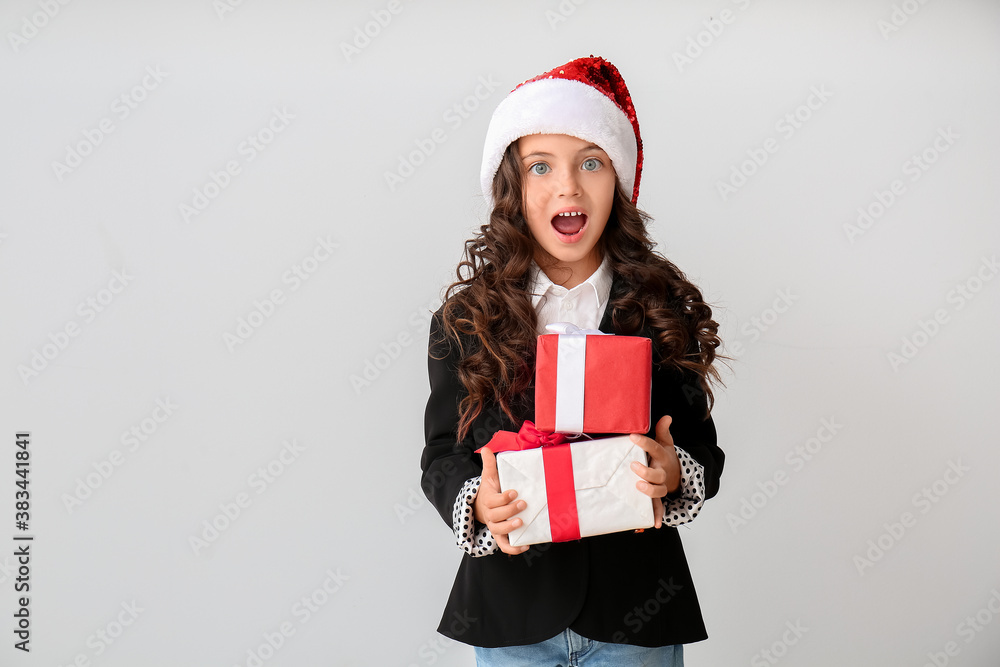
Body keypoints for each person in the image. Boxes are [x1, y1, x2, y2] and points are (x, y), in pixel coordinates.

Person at [420, 55, 725, 666]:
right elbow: (441, 456)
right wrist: (477, 500)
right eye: (541, 167)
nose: (568, 186)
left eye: (591, 162)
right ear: (512, 190)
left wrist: (672, 470)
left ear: (618, 181)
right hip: (512, 615)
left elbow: (701, 450)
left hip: (635, 609)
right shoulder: (466, 321)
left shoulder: (659, 309)